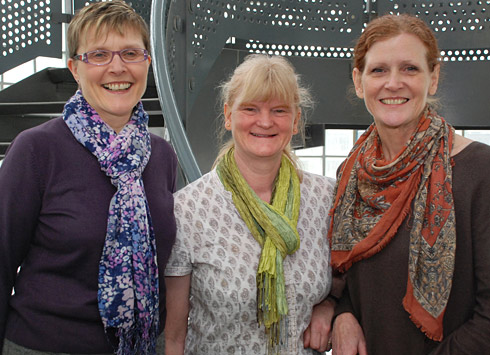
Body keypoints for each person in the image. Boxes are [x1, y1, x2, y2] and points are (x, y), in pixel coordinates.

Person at [0, 1, 177, 354]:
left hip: (142, 346)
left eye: (130, 53)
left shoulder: (160, 156)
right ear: (75, 69)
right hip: (45, 345)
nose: (117, 67)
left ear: (147, 63)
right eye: (98, 55)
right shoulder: (37, 150)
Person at [328, 13, 490, 354]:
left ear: (433, 78)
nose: (393, 83)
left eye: (410, 69)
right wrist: (343, 315)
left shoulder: (480, 171)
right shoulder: (351, 174)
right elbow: (353, 282)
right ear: (359, 81)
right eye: (379, 70)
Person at [164, 54, 337, 354]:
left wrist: (331, 306)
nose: (266, 121)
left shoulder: (326, 198)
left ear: (296, 121)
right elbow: (174, 338)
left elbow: (347, 283)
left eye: (279, 110)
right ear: (229, 115)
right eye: (251, 108)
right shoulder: (188, 209)